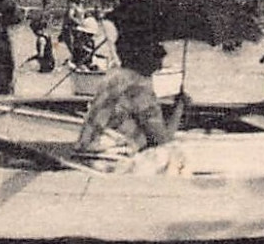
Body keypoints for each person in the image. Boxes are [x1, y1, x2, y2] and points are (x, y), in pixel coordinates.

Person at [73, 36, 188, 172]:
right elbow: (162, 139)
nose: (162, 55)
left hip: (87, 152)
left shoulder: (112, 77)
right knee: (176, 153)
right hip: (111, 159)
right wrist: (179, 108)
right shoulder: (140, 88)